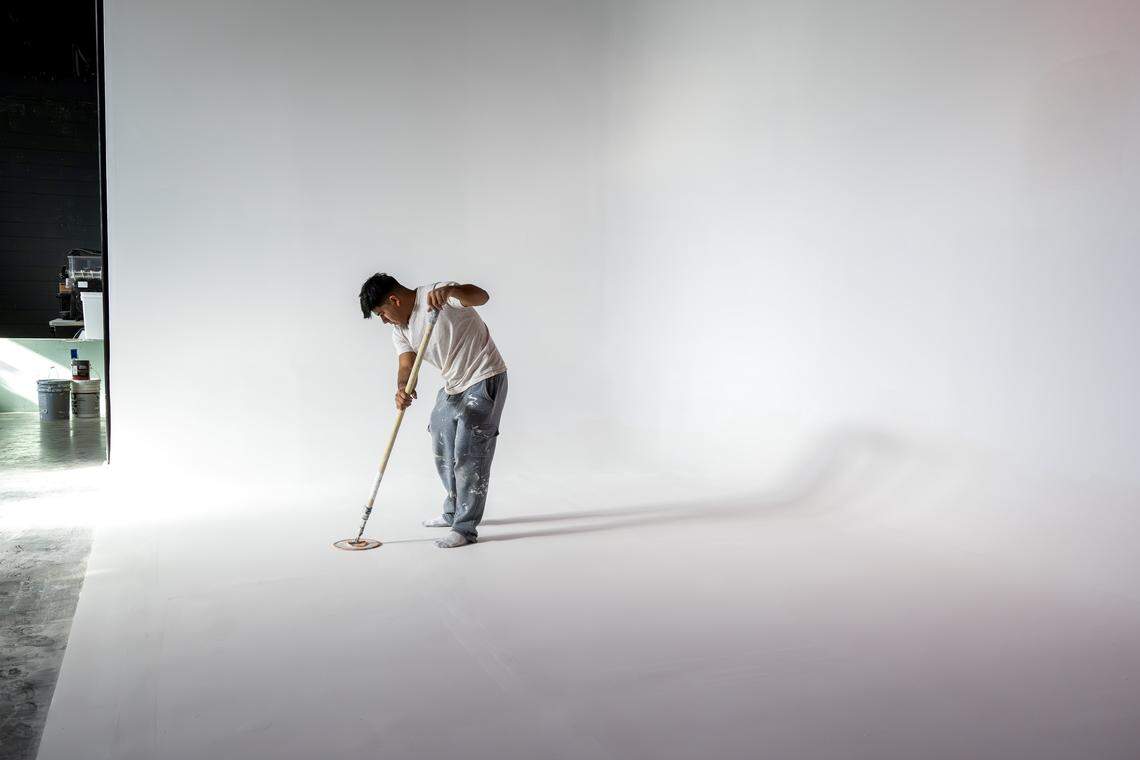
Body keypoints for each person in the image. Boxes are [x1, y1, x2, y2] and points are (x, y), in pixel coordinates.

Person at [359, 273, 508, 548]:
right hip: (453, 385)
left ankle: (465, 528)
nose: (384, 321)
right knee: (441, 440)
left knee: (469, 451)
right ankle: (453, 511)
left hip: (484, 376)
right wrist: (402, 388)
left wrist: (452, 290)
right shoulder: (401, 330)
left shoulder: (438, 296)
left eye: (382, 313)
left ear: (393, 300)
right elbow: (406, 365)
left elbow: (482, 297)